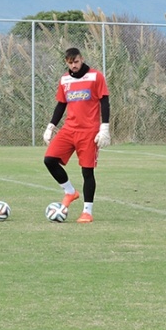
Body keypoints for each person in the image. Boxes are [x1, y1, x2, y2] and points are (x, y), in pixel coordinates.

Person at [43, 47, 110, 223]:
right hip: (69, 129)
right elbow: (61, 104)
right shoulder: (64, 79)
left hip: (89, 132)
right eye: (70, 63)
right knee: (49, 160)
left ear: (82, 59)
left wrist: (104, 127)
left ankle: (87, 212)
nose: (74, 65)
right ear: (67, 62)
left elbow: (104, 101)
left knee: (87, 171)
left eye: (76, 62)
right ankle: (70, 192)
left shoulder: (96, 77)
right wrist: (51, 126)